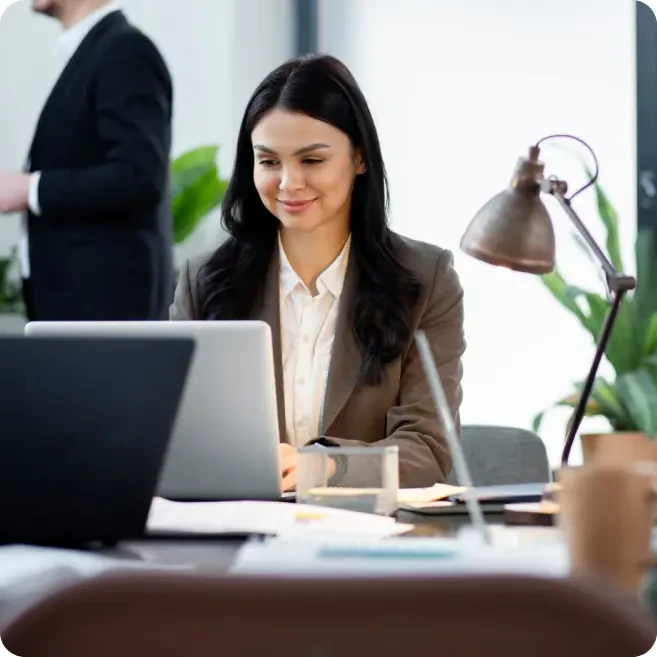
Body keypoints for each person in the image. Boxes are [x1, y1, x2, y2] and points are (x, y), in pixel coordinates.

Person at [170, 54, 466, 490]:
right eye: (269, 162)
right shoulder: (205, 280)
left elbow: (428, 451)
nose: (288, 182)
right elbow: (176, 436)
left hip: (367, 541)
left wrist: (326, 468)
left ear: (360, 158)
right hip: (240, 530)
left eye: (312, 161)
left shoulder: (425, 279)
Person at [0, 0, 174, 320]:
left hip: (106, 310)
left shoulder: (125, 50)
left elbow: (139, 176)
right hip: (78, 304)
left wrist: (30, 189)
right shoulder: (97, 50)